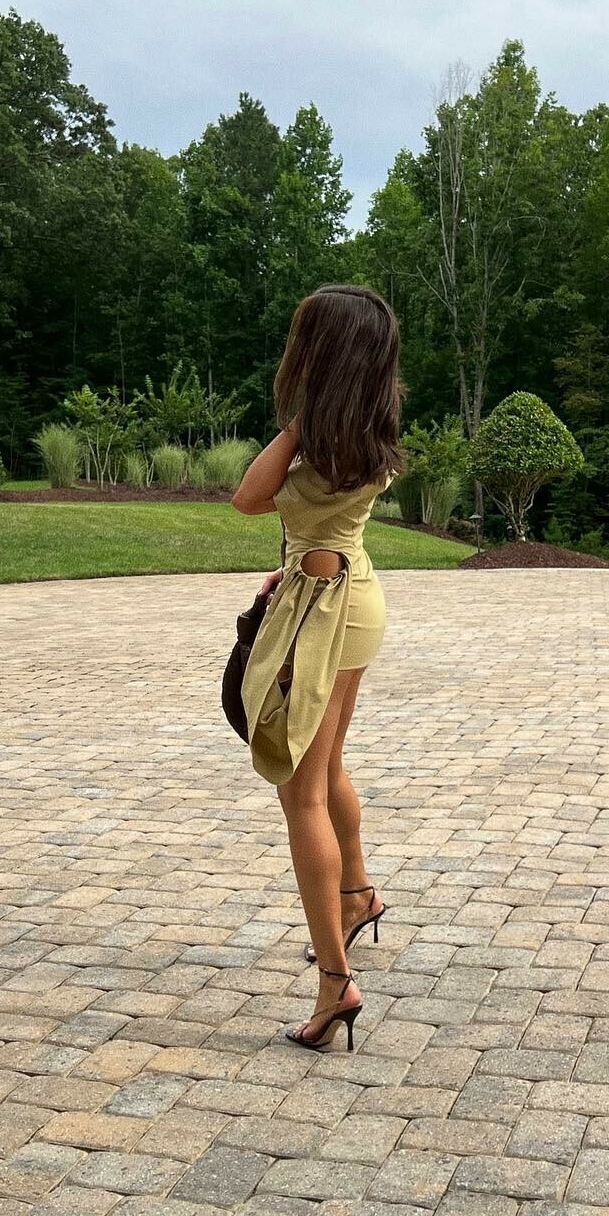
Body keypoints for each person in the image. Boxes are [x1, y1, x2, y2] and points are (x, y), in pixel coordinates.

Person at [231, 285, 405, 1050]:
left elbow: (248, 496)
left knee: (298, 790)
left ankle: (336, 983)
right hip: (350, 597)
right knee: (327, 768)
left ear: (325, 356)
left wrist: (298, 420)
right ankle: (357, 894)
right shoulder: (367, 427)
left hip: (321, 615)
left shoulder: (321, 436)